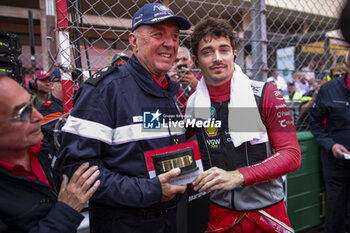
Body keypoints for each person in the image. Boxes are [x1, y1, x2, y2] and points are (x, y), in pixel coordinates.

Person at [55, 3, 191, 233]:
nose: (170, 43)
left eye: (175, 37)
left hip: (169, 220)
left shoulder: (173, 92)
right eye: (158, 34)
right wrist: (151, 190)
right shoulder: (103, 91)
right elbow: (76, 169)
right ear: (134, 41)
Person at [185, 17, 301, 232]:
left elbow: (292, 155)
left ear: (234, 54)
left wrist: (240, 175)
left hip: (266, 212)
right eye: (207, 51)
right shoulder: (193, 102)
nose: (217, 58)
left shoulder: (265, 93)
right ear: (195, 60)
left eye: (224, 49)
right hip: (218, 214)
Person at [0, 76, 100, 232]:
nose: (38, 116)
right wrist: (67, 210)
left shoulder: (41, 148)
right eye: (23, 113)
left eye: (32, 104)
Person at [309, 50, 350, 233]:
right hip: (337, 162)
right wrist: (330, 145)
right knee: (336, 210)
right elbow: (315, 124)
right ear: (346, 65)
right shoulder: (329, 89)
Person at [39, 68, 64, 159]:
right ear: (51, 85)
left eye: (73, 81)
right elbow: (65, 133)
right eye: (62, 81)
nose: (70, 85)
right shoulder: (47, 109)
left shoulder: (77, 104)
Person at [168, 46, 201, 112]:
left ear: (191, 62)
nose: (180, 63)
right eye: (176, 60)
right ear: (172, 63)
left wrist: (196, 84)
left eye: (184, 59)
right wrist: (169, 84)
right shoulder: (167, 80)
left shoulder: (201, 79)